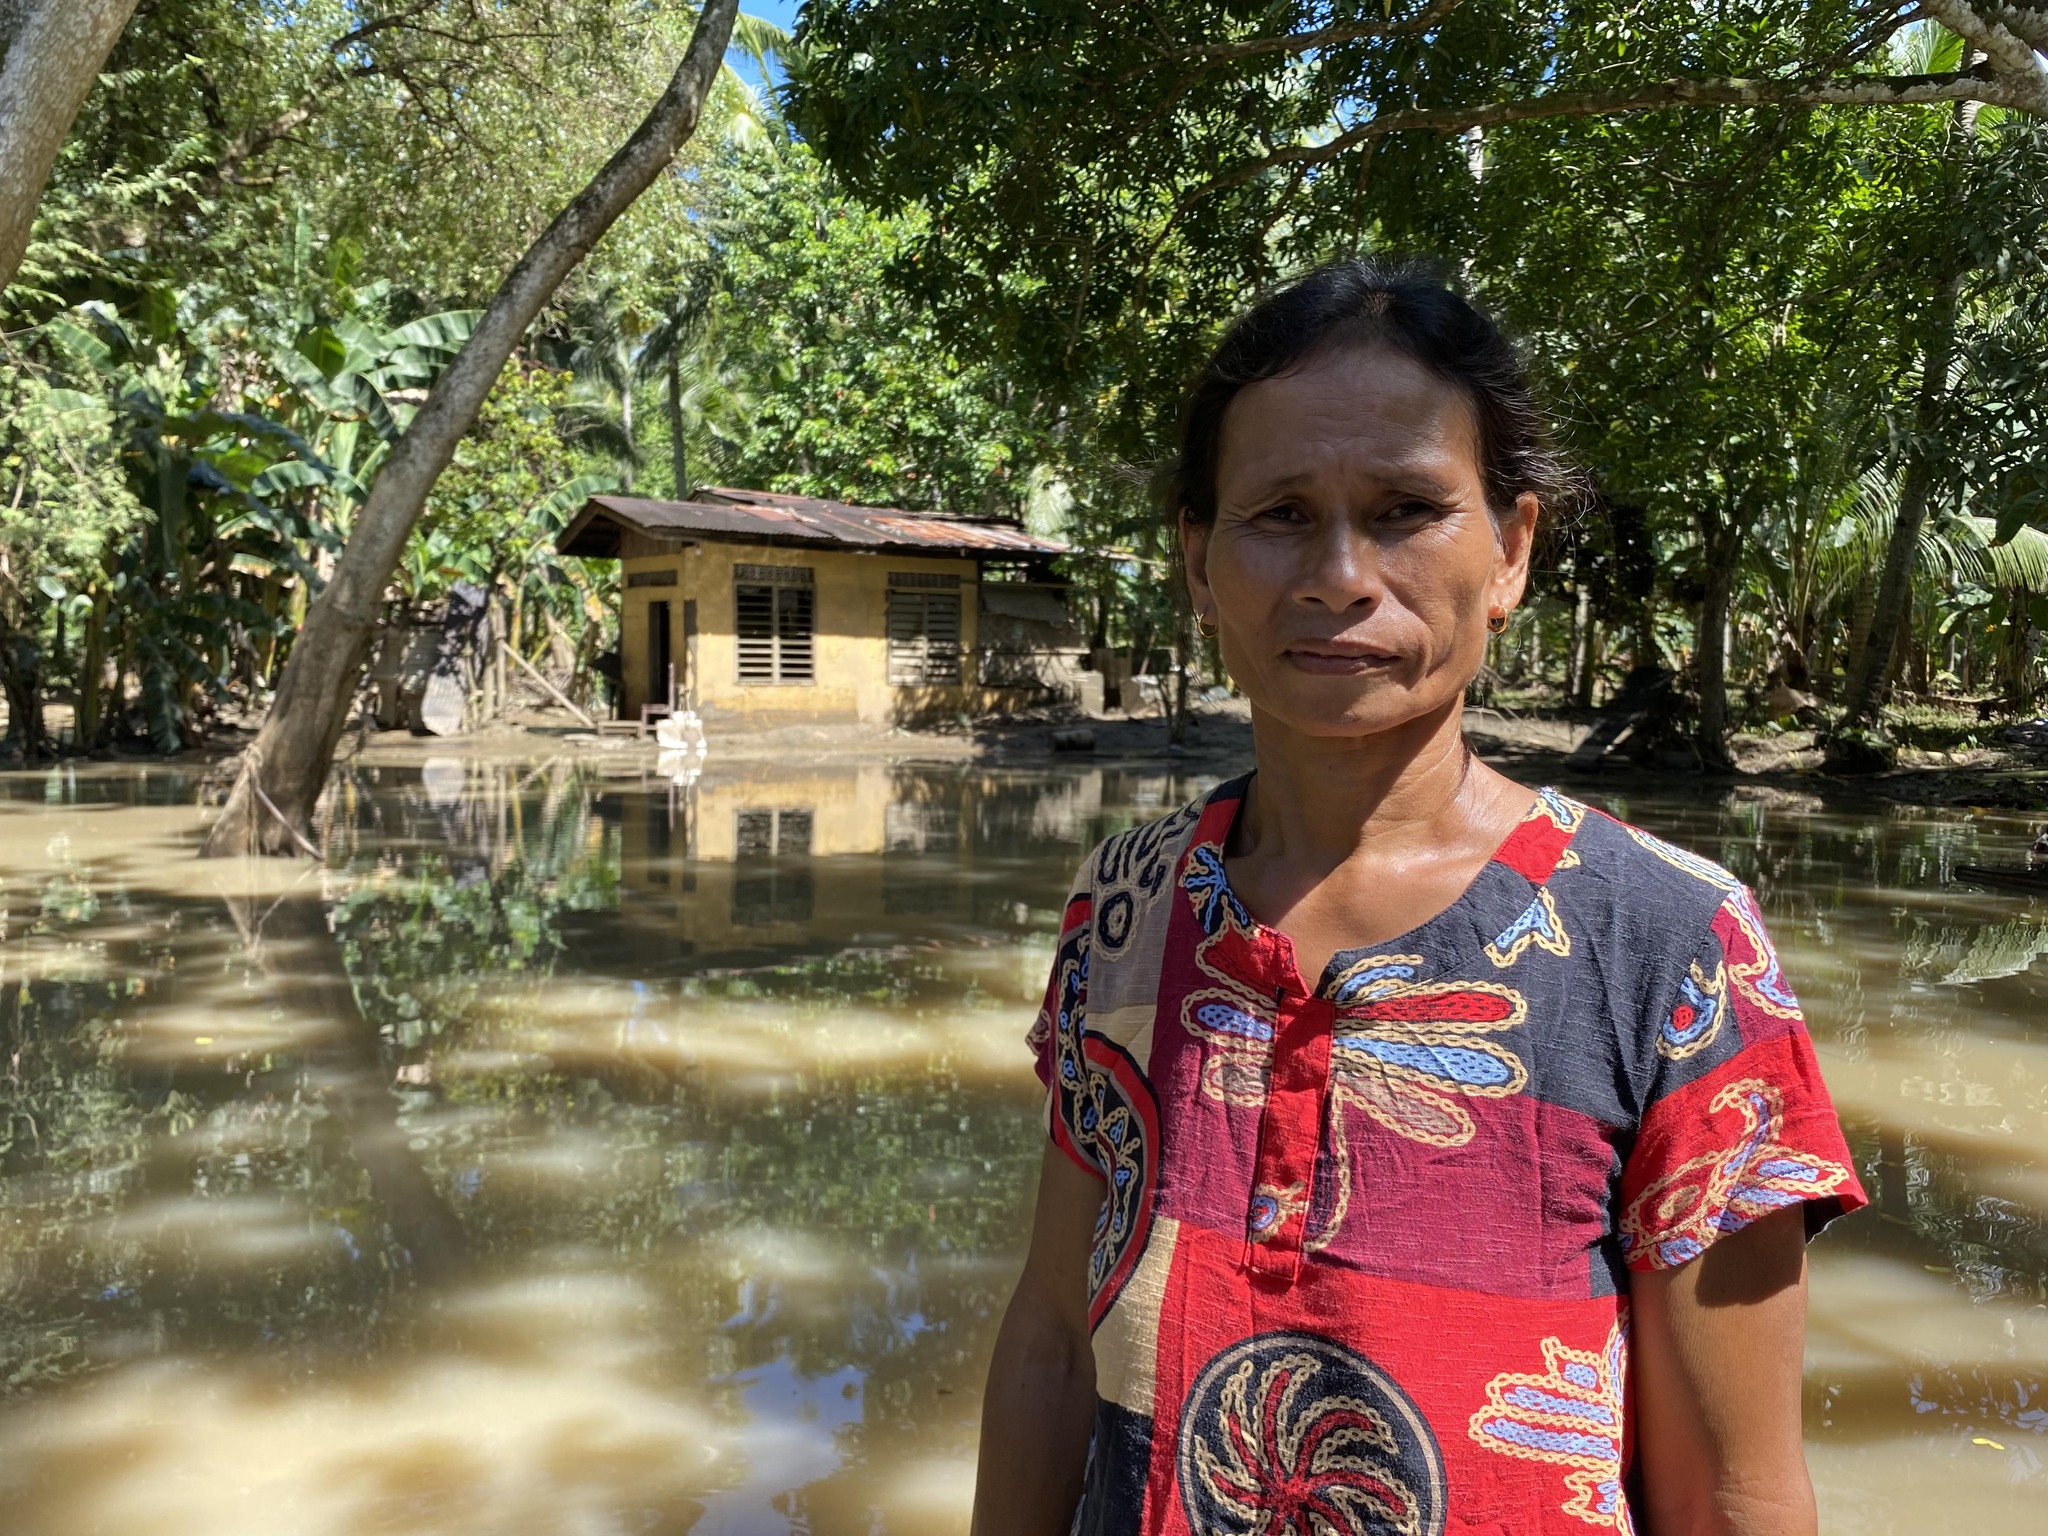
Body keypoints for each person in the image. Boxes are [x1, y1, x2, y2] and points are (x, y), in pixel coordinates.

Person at [972, 260, 1865, 1536]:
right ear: (1196, 558)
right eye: (1277, 512)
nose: (1339, 573)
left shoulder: (1672, 941)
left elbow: (1730, 1489)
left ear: (1507, 551)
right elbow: (1056, 1336)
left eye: (1403, 510)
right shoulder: (1126, 897)